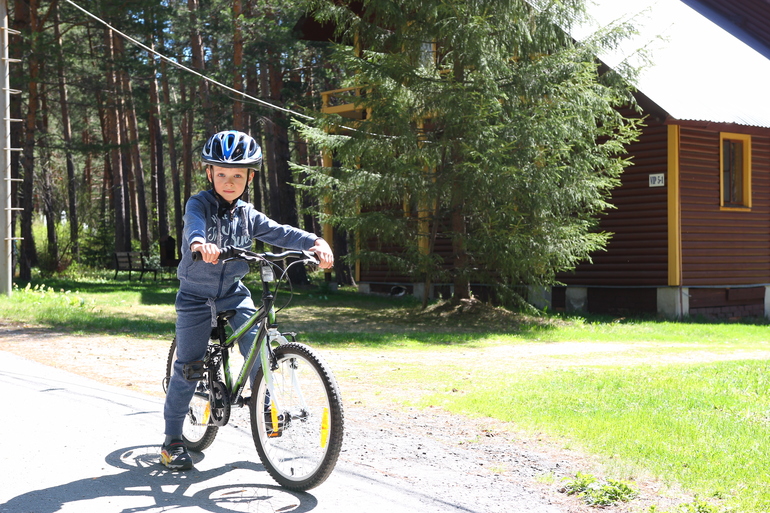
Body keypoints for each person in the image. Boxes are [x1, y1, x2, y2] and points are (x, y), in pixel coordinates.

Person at [161, 130, 333, 470]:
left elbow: (280, 232)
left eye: (238, 175)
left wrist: (314, 241)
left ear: (249, 178)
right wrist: (199, 245)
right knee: (190, 367)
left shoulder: (247, 215)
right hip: (195, 296)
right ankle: (172, 440)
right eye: (222, 174)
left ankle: (265, 411)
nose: (229, 182)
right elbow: (193, 227)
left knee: (258, 349)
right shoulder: (198, 204)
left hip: (233, 292)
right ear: (209, 173)